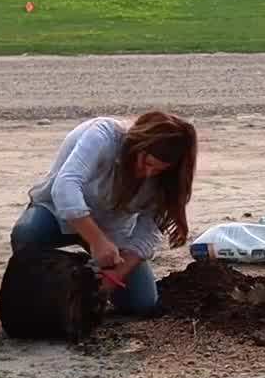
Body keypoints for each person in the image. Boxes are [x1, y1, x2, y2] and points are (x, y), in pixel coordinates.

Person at [10, 111, 197, 314]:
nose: (149, 173)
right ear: (137, 144)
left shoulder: (167, 179)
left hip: (111, 231)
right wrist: (97, 241)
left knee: (141, 303)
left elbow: (148, 232)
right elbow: (65, 187)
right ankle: (36, 288)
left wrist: (114, 275)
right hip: (57, 215)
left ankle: (87, 274)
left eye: (159, 170)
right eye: (148, 163)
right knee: (27, 233)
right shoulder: (104, 136)